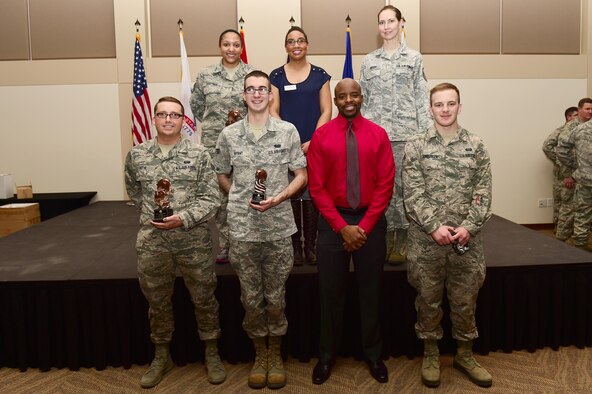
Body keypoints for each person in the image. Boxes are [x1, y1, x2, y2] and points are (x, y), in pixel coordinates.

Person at [214, 70, 307, 389]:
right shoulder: (228, 135)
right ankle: (260, 355)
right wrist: (238, 195)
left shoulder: (287, 131)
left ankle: (276, 354)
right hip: (242, 231)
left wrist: (279, 197)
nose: (256, 94)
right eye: (250, 89)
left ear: (270, 95)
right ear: (243, 95)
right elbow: (221, 173)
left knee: (276, 297)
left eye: (262, 89)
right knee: (251, 299)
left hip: (278, 229)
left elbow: (301, 175)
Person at [124, 96, 226, 388]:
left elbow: (212, 198)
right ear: (154, 119)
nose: (168, 119)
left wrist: (184, 218)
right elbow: (135, 191)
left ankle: (211, 350)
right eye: (162, 114)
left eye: (175, 115)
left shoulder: (199, 155)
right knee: (157, 301)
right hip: (153, 241)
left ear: (184, 120)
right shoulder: (137, 155)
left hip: (192, 240)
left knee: (204, 298)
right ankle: (161, 354)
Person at [403, 83, 492, 388]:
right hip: (427, 241)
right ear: (430, 109)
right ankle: (430, 353)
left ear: (459, 107)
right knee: (428, 300)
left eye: (450, 104)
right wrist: (433, 226)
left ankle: (465, 354)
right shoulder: (416, 146)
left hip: (467, 241)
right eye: (439, 105)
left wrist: (469, 226)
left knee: (465, 300)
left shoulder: (476, 146)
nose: (445, 110)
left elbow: (483, 192)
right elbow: (412, 194)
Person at [307, 78, 394, 385]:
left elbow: (385, 185)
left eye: (353, 94)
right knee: (330, 294)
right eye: (341, 96)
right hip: (333, 223)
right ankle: (327, 356)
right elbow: (316, 188)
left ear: (361, 97)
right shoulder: (321, 136)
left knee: (371, 293)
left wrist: (364, 227)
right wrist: (342, 228)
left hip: (370, 220)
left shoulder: (378, 135)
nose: (348, 100)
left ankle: (373, 354)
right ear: (336, 98)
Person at [360, 5, 431, 265]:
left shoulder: (414, 58)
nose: (387, 26)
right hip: (377, 138)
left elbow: (422, 98)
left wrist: (425, 136)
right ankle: (386, 234)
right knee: (382, 188)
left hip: (406, 136)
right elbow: (363, 101)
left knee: (404, 188)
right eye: (382, 22)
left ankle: (402, 237)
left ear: (401, 23)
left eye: (391, 21)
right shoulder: (369, 61)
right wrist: (361, 135)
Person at [190, 29, 254, 264]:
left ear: (241, 47)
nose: (231, 49)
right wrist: (216, 125)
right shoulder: (206, 75)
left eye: (236, 45)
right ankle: (226, 245)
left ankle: (242, 243)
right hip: (214, 146)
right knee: (220, 199)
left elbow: (257, 107)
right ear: (220, 47)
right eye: (226, 44)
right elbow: (197, 106)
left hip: (243, 146)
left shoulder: (251, 74)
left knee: (243, 194)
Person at [269, 26, 332, 266]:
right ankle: (296, 247)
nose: (296, 45)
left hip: (314, 144)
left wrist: (314, 140)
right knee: (292, 195)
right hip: (285, 146)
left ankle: (312, 246)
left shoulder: (320, 75)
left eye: (301, 41)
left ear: (307, 45)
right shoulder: (275, 76)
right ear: (286, 46)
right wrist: (291, 142)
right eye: (291, 41)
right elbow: (273, 111)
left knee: (313, 195)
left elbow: (327, 110)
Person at [553, 98, 592, 242]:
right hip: (578, 177)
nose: (590, 111)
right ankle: (564, 241)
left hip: (582, 177)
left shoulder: (582, 127)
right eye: (587, 109)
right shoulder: (574, 127)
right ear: (580, 109)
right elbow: (557, 149)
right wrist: (572, 171)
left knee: (581, 212)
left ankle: (580, 242)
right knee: (570, 209)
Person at [542, 105, 580, 231]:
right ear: (569, 117)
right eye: (576, 115)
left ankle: (558, 230)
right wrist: (559, 161)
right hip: (567, 174)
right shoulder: (565, 131)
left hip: (563, 173)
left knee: (561, 203)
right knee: (566, 204)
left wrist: (558, 161)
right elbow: (547, 146)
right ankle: (562, 233)